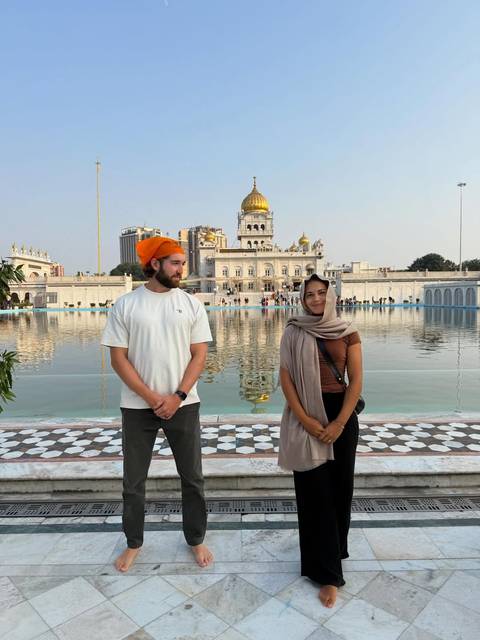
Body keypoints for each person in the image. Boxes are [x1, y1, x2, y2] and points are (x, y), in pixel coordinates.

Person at [101, 236, 214, 573]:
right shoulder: (127, 305)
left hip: (184, 404)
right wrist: (152, 398)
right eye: (175, 263)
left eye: (183, 263)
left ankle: (196, 538)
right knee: (133, 481)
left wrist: (177, 396)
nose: (183, 269)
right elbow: (118, 359)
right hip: (138, 408)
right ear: (155, 264)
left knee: (192, 477)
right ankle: (134, 542)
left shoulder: (191, 304)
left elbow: (200, 355)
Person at [278, 274, 362, 608]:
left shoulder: (347, 331)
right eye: (309, 294)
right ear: (302, 298)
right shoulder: (293, 330)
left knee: (340, 491)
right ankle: (327, 573)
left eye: (321, 293)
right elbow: (285, 378)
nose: (315, 299)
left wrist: (340, 422)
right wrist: (306, 420)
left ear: (331, 297)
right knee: (315, 494)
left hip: (341, 414)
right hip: (305, 417)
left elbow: (355, 381)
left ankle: (334, 552)